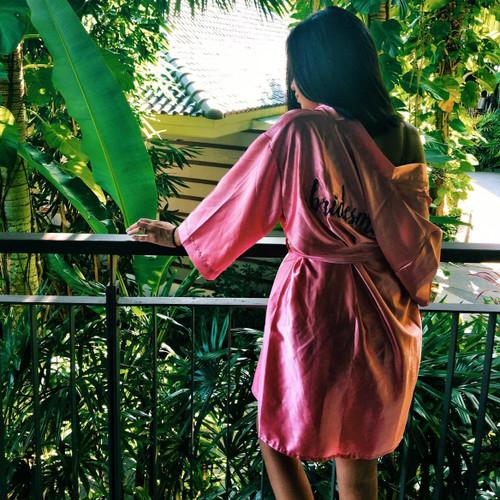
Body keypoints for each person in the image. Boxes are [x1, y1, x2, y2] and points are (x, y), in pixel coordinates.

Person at [127, 6, 442, 499]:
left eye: (298, 74)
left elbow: (241, 200)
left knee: (275, 433)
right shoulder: (405, 136)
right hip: (385, 310)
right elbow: (416, 239)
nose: (293, 86)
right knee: (357, 452)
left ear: (320, 74)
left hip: (317, 306)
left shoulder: (298, 132)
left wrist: (180, 236)